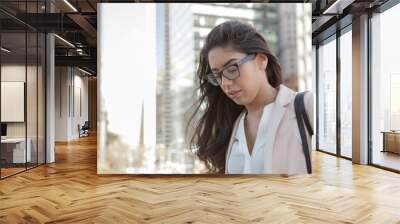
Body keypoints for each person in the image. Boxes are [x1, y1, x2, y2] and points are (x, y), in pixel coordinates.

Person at [188, 20, 314, 174]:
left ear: (261, 60)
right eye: (217, 75)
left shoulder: (307, 107)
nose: (225, 83)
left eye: (232, 68)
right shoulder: (231, 126)